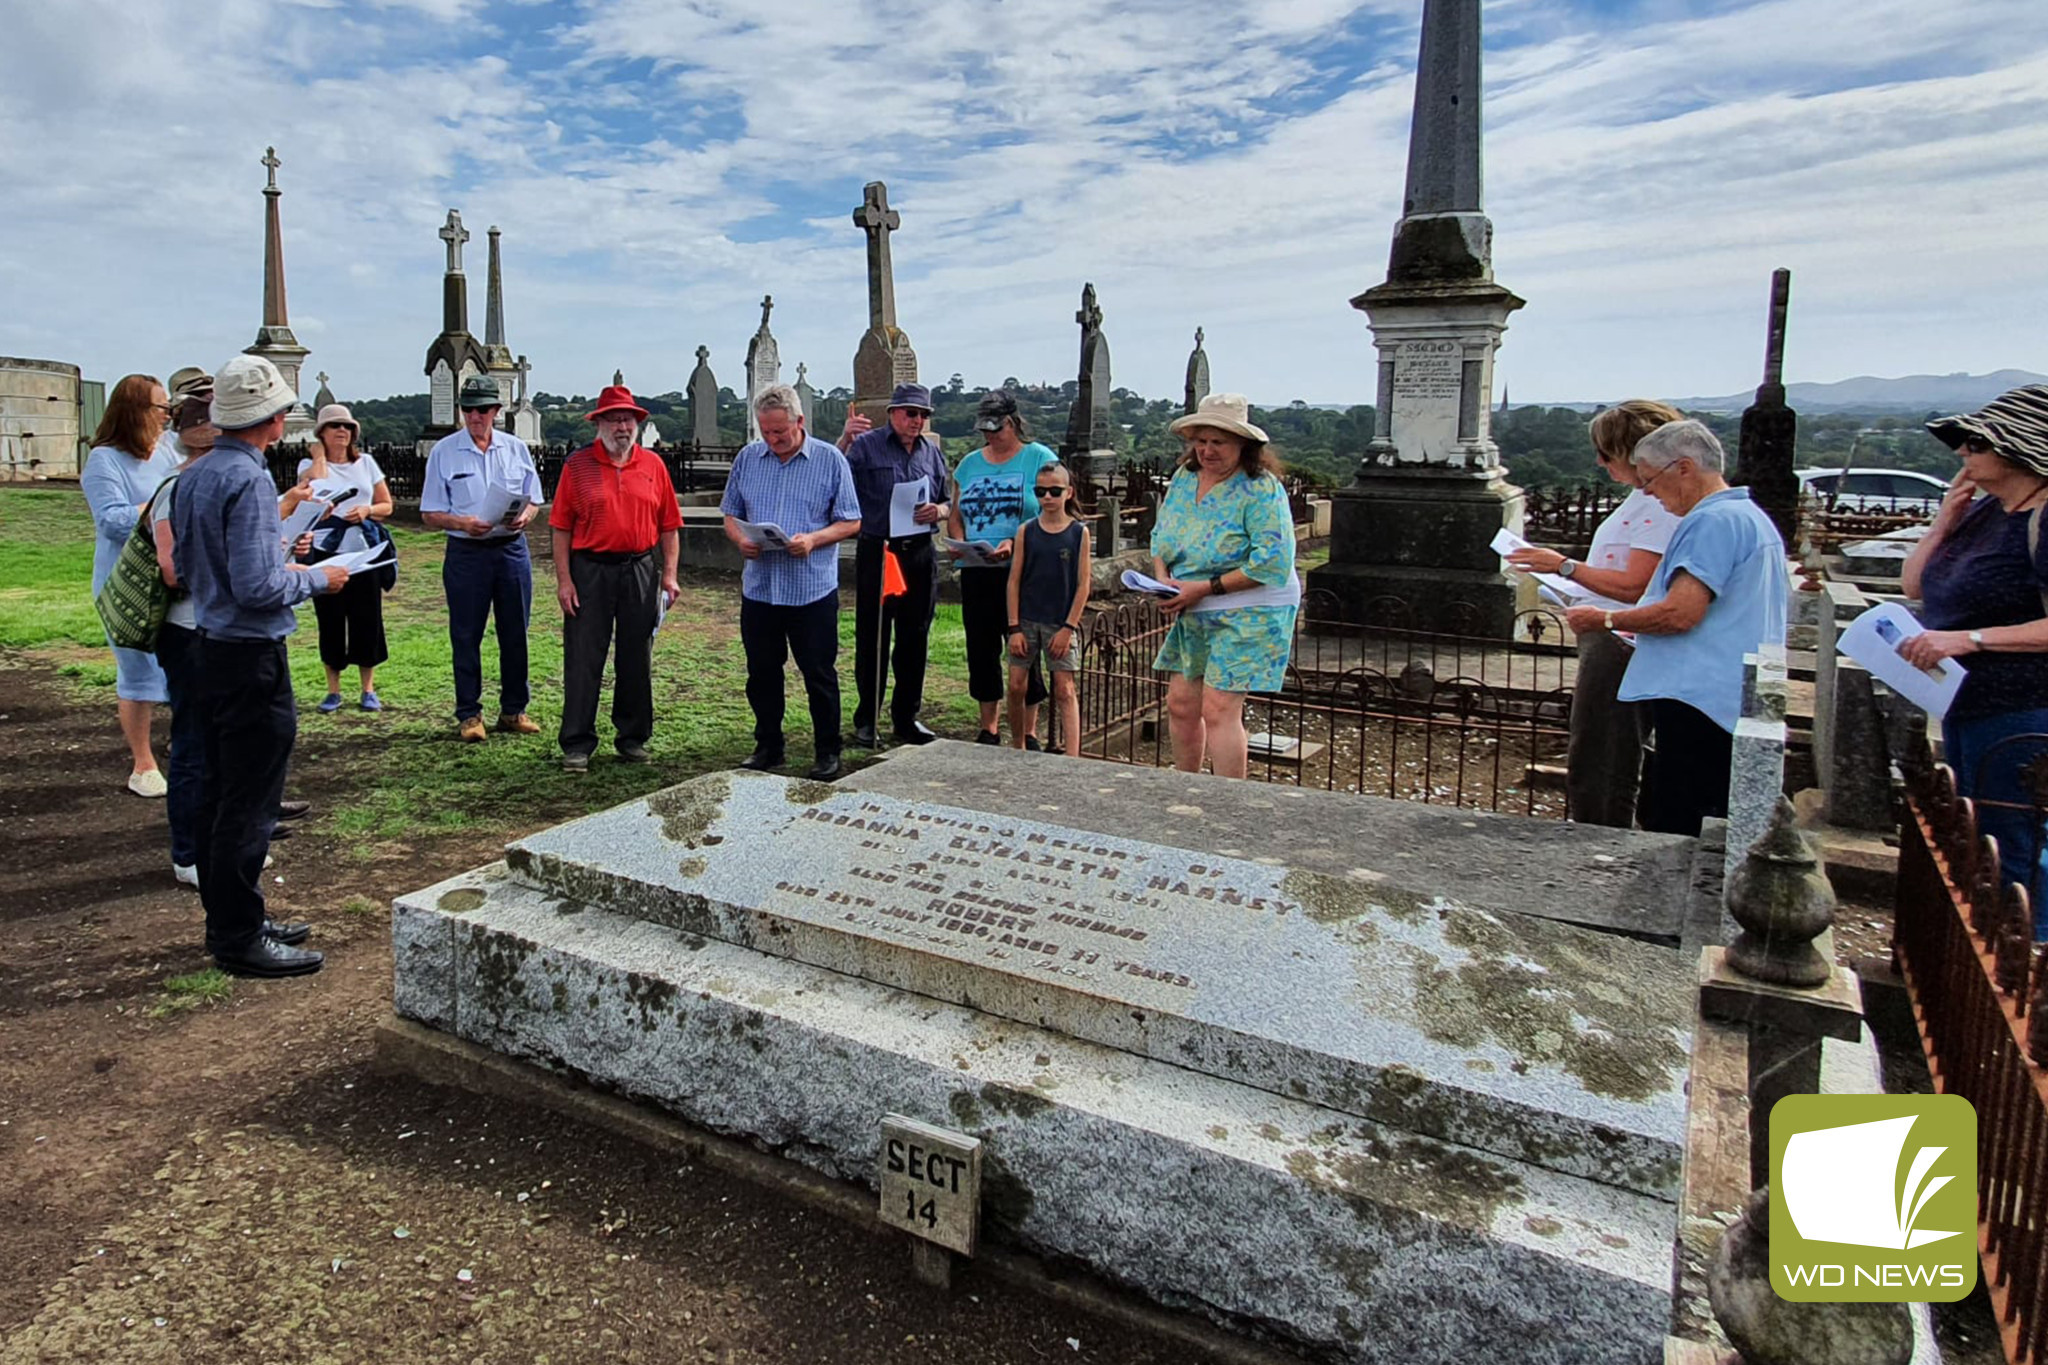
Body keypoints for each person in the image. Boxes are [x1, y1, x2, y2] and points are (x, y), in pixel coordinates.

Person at [169, 355, 346, 978]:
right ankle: (238, 935)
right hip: (250, 654)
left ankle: (232, 917)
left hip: (211, 643)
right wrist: (318, 576)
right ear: (273, 419)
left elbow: (197, 569)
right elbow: (256, 586)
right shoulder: (244, 479)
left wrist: (275, 548)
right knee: (249, 801)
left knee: (219, 791)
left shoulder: (196, 474)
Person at [1565, 420, 1788, 838]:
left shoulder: (1712, 522)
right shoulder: (1749, 517)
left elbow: (1681, 613)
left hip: (1700, 698)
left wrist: (1607, 619)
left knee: (1682, 825)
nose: (1648, 492)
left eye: (1650, 480)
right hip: (1724, 691)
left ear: (1684, 467)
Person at [1899, 383, 2048, 937]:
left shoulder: (2043, 520)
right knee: (1975, 833)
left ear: (2019, 448)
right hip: (1967, 702)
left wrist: (1969, 640)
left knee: (2014, 845)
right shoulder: (1983, 514)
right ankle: (1991, 945)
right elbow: (1915, 584)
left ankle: (2026, 966)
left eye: (1975, 443)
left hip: (2021, 708)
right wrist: (1944, 521)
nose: (1962, 453)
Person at [1506, 400, 1683, 827]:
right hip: (1609, 634)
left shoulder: (1657, 506)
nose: (1600, 463)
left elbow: (1633, 585)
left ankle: (1601, 842)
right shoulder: (1643, 500)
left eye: (1607, 454)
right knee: (1598, 751)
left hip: (1620, 639)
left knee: (1603, 756)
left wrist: (1564, 567)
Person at [1148, 393, 1301, 780]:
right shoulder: (1185, 479)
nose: (1207, 450)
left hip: (1251, 604)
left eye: (1219, 442)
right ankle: (1187, 786)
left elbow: (1271, 562)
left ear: (1243, 446)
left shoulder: (1261, 488)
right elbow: (1162, 535)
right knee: (1181, 703)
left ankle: (1227, 800)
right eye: (1201, 441)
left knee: (1218, 707)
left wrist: (1204, 587)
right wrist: (1162, 577)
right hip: (1194, 598)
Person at [721, 384, 861, 780]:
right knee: (762, 672)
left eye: (780, 431)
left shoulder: (831, 460)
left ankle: (828, 751)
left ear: (800, 422)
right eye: (765, 431)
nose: (773, 439)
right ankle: (768, 746)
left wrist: (814, 539)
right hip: (761, 587)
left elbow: (852, 520)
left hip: (810, 589)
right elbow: (730, 513)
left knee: (818, 673)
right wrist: (740, 540)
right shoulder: (748, 459)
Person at [550, 384, 682, 772]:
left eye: (628, 419)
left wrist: (669, 575)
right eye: (614, 419)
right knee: (584, 656)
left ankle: (632, 737)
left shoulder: (653, 466)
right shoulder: (577, 466)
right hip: (589, 568)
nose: (622, 426)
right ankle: (577, 742)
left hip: (640, 567)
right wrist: (564, 580)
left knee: (635, 656)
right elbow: (560, 527)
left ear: (637, 424)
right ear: (600, 424)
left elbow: (670, 525)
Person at [421, 375, 543, 742]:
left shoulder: (515, 448)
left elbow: (534, 498)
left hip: (509, 549)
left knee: (515, 632)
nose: (476, 416)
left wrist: (526, 516)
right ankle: (469, 713)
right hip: (466, 552)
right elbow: (429, 512)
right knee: (466, 633)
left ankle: (514, 710)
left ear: (496, 411)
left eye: (483, 409)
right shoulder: (444, 451)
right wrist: (459, 522)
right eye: (469, 409)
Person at [82, 372, 181, 797]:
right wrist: (160, 506)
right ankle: (143, 764)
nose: (167, 416)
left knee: (180, 665)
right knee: (138, 672)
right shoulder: (104, 460)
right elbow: (111, 520)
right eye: (162, 408)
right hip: (126, 582)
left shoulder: (167, 452)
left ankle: (184, 740)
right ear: (137, 411)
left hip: (168, 576)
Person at [837, 383, 950, 748]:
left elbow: (947, 501)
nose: (917, 420)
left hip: (919, 550)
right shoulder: (866, 446)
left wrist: (940, 511)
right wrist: (843, 441)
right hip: (880, 550)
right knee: (874, 636)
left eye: (923, 415)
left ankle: (907, 717)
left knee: (915, 637)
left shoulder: (931, 454)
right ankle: (866, 720)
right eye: (910, 413)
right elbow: (834, 484)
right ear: (892, 413)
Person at [950, 389, 1056, 745]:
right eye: (985, 431)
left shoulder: (1038, 458)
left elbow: (1054, 512)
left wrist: (1017, 540)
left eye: (997, 429)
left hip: (1023, 570)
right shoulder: (969, 465)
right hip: (978, 569)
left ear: (1012, 423)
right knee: (981, 648)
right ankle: (989, 726)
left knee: (1023, 645)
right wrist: (959, 543)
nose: (991, 437)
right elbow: (956, 514)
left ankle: (1027, 729)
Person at [150, 395, 217, 886]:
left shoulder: (204, 485)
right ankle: (189, 852)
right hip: (188, 630)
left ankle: (215, 841)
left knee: (218, 741)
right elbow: (173, 570)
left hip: (214, 629)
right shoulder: (176, 488)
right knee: (193, 742)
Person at [297, 403, 393, 713]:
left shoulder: (365, 463)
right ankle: (333, 689)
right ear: (321, 433)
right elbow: (316, 488)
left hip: (363, 550)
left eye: (347, 427)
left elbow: (386, 505)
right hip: (326, 549)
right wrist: (319, 457)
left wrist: (367, 510)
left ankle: (368, 688)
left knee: (367, 617)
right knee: (331, 617)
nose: (342, 431)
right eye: (335, 426)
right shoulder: (308, 466)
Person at [1006, 461, 1091, 757]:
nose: (1047, 497)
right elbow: (1014, 580)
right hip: (1027, 617)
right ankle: (1017, 745)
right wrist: (1014, 626)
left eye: (1054, 491)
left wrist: (1069, 628)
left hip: (1059, 621)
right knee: (1017, 685)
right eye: (1041, 491)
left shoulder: (1079, 533)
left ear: (1068, 492)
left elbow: (1083, 584)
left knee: (1064, 688)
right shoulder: (1026, 531)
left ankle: (1073, 756)